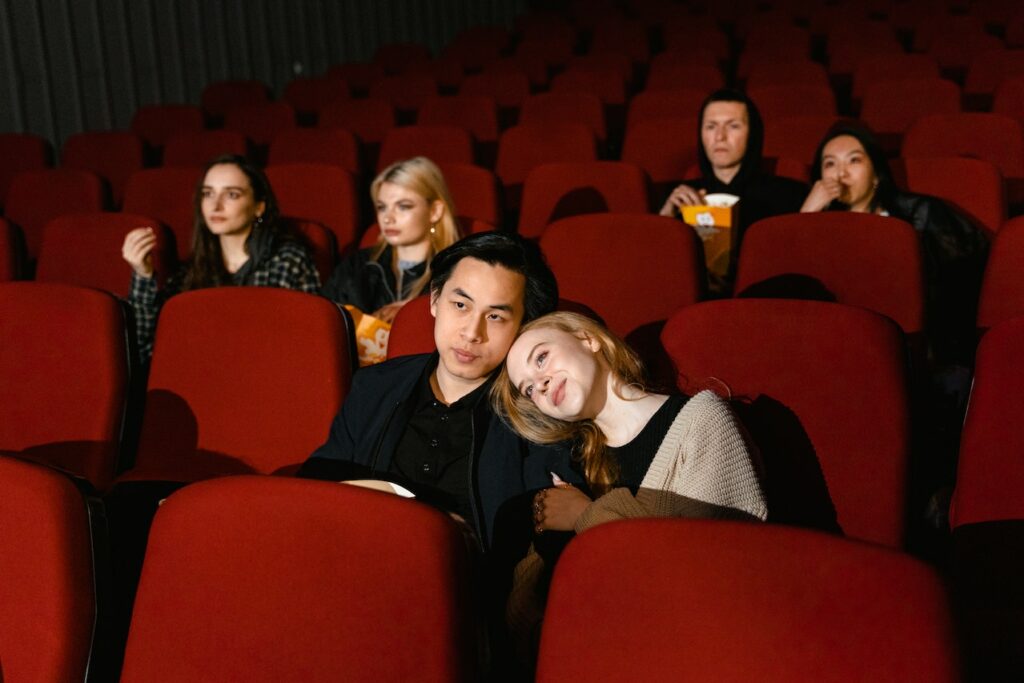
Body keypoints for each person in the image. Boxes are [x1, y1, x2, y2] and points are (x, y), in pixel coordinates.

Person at [491, 311, 768, 664]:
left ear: (587, 339)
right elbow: (524, 611)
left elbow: (710, 577)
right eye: (528, 389)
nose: (540, 384)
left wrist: (585, 516)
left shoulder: (702, 420)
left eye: (542, 358)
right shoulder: (570, 466)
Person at [800, 121, 989, 366]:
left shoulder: (921, 214)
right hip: (834, 339)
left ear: (876, 173)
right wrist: (806, 215)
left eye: (854, 160)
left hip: (908, 344)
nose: (841, 173)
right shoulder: (818, 227)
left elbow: (957, 285)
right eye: (830, 164)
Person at [122, 154, 320, 361]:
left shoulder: (288, 262)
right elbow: (146, 347)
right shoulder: (193, 270)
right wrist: (143, 275)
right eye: (208, 194)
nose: (215, 206)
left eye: (232, 195)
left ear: (258, 206)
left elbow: (306, 343)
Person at [321, 156, 461, 323]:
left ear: (435, 211)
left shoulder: (456, 272)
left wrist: (417, 311)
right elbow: (322, 325)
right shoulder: (356, 266)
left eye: (403, 206)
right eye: (382, 207)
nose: (388, 218)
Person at [659, 88, 808, 243]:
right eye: (711, 126)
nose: (720, 137)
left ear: (752, 134)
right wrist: (666, 221)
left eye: (733, 126)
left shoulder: (790, 195)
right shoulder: (677, 199)